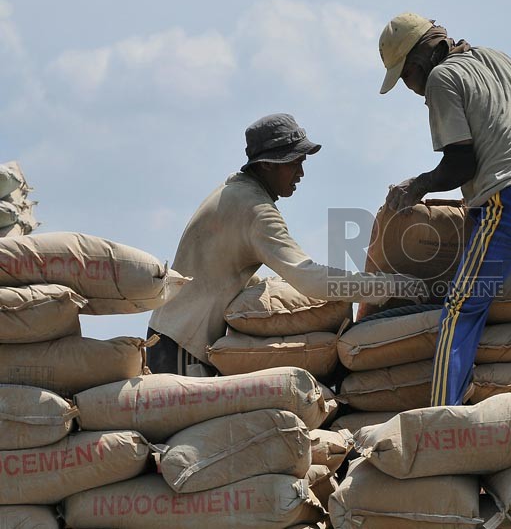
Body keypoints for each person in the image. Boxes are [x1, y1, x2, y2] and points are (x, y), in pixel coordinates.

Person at [378, 12, 511, 406]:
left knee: (459, 307)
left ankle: (444, 412)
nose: (410, 88)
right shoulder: (496, 56)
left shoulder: (441, 79)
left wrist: (418, 186)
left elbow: (461, 165)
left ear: (418, 63)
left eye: (404, 77)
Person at [148, 113, 424, 375]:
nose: (301, 173)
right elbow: (309, 278)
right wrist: (391, 286)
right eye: (294, 163)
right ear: (267, 164)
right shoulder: (255, 210)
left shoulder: (233, 194)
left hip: (171, 335)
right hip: (183, 344)